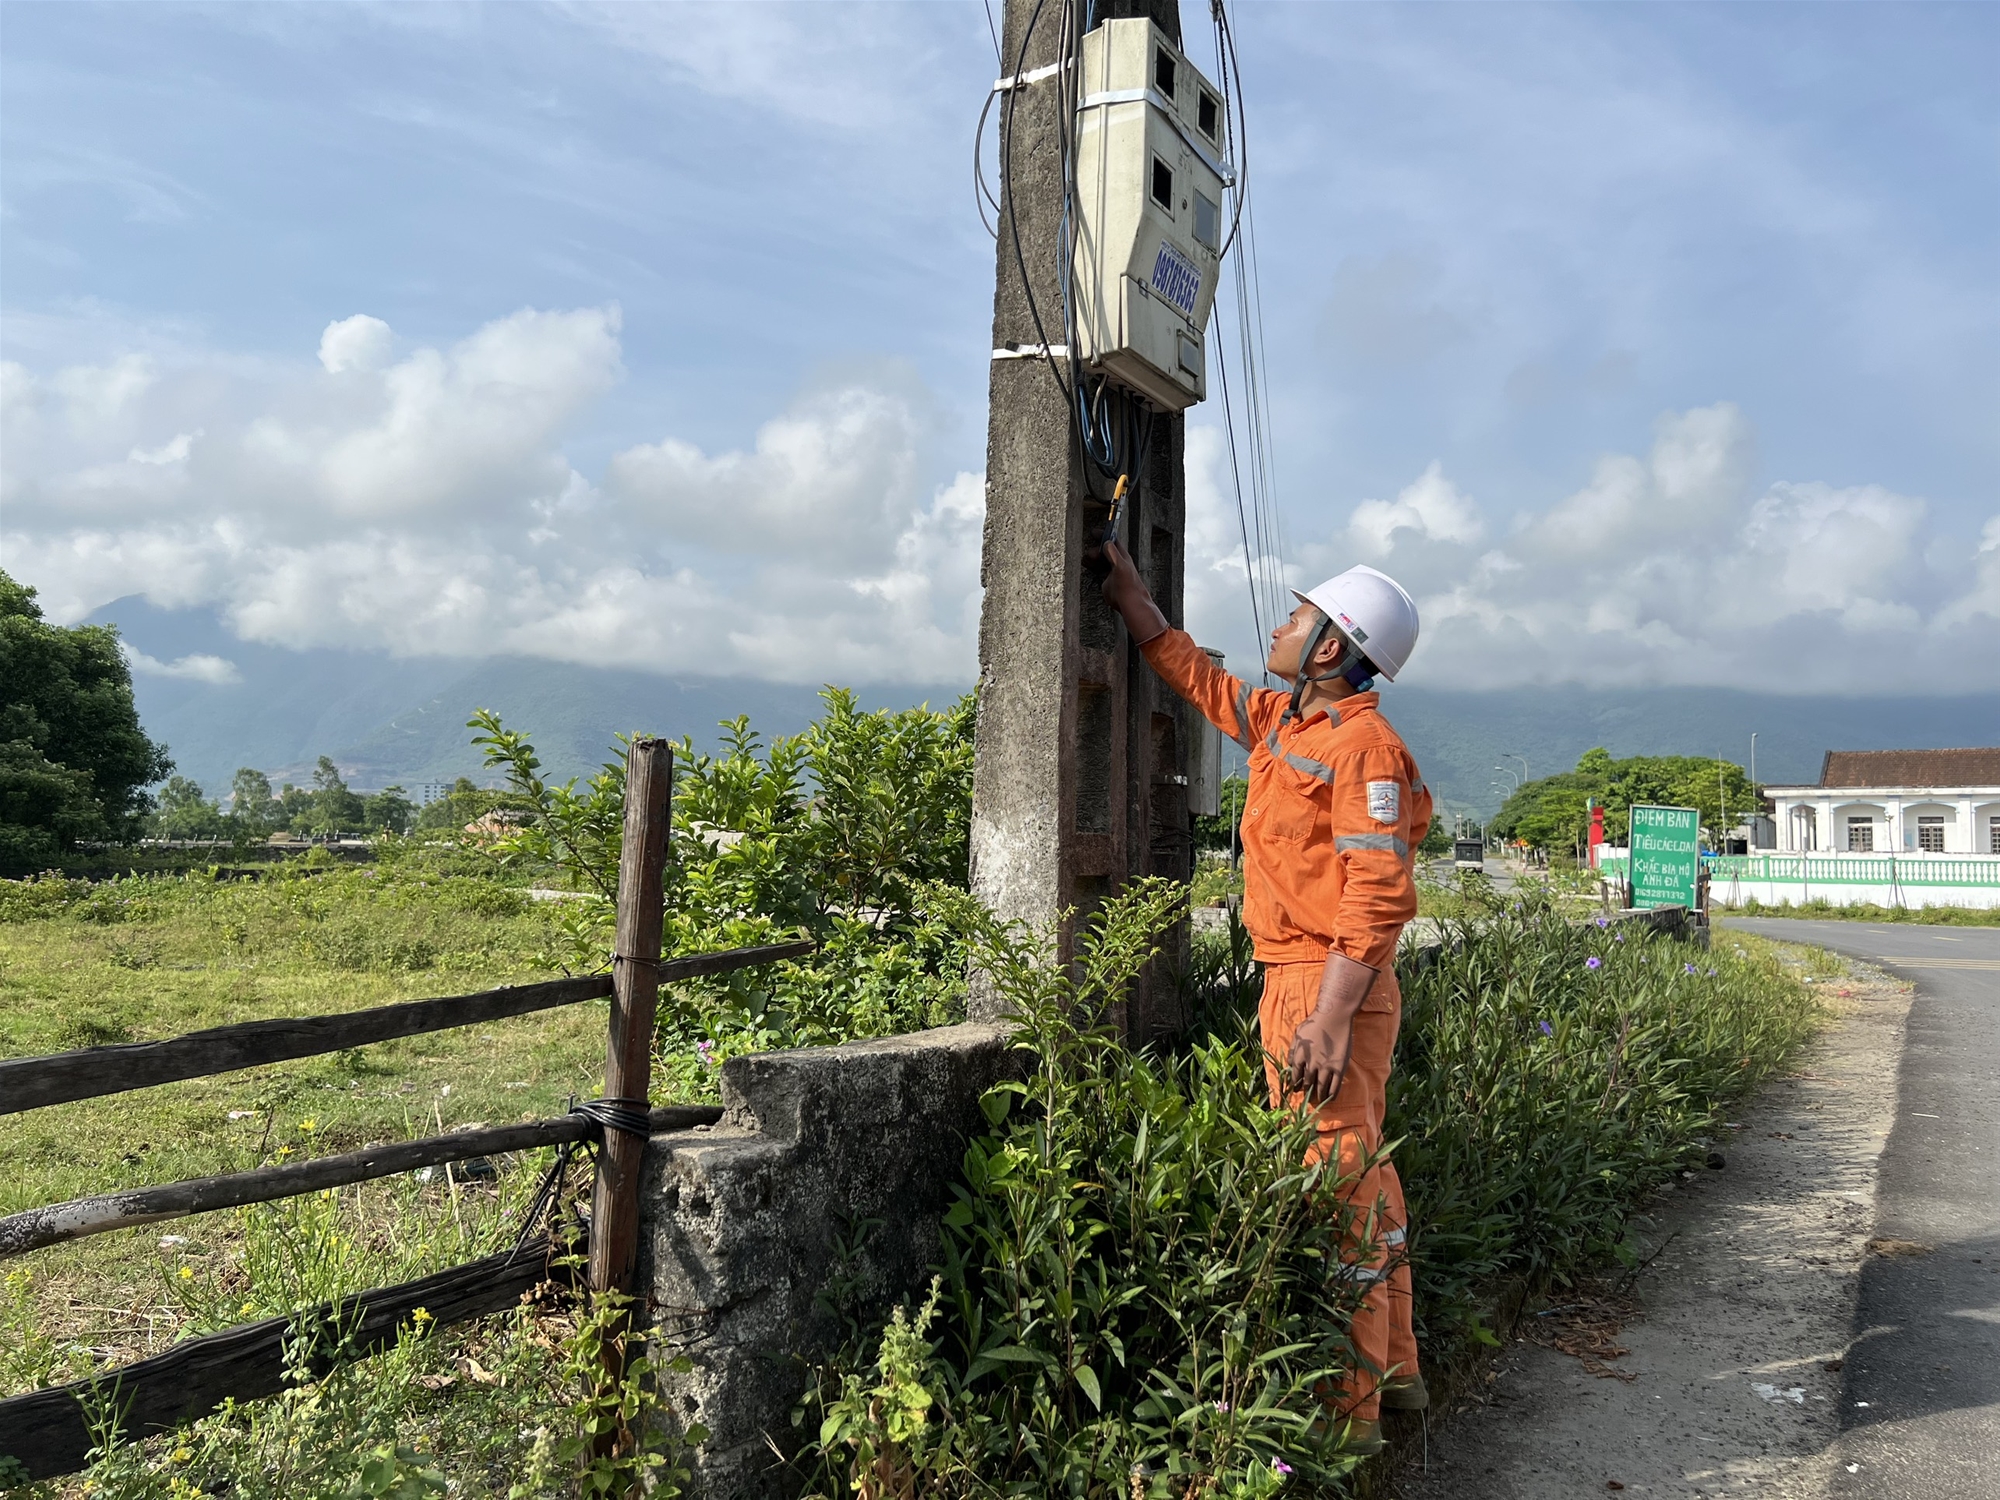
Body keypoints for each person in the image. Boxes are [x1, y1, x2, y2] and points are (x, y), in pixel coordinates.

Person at [1099, 540, 1431, 1451]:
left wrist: (1326, 1017)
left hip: (1328, 990)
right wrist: (1137, 605)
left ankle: (1346, 1419)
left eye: (1295, 617)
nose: (1280, 627)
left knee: (1333, 1191)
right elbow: (1206, 686)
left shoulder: (1366, 748)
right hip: (1311, 983)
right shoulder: (1291, 723)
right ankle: (1394, 1377)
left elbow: (1376, 894)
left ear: (1331, 647)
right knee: (1363, 1176)